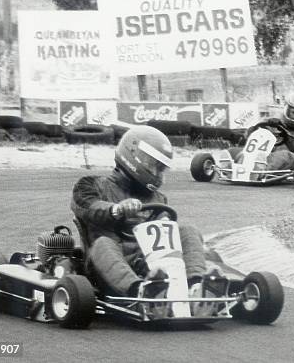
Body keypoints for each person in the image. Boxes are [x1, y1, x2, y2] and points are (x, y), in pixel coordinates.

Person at [70, 125, 209, 301]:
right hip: (106, 265)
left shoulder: (158, 198)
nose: (158, 174)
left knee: (188, 230)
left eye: (161, 169)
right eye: (154, 167)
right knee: (103, 243)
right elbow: (88, 208)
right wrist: (116, 209)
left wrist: (164, 222)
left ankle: (195, 287)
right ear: (134, 157)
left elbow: (164, 233)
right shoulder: (90, 185)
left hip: (149, 263)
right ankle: (139, 292)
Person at [245, 90, 294, 170]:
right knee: (235, 151)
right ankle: (234, 167)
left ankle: (259, 171)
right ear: (287, 110)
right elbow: (248, 137)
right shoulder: (274, 123)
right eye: (293, 112)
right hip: (266, 155)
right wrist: (256, 128)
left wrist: (285, 133)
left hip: (293, 161)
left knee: (286, 155)